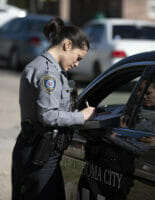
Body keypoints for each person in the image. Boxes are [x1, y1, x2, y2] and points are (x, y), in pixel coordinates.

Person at [11, 17, 95, 200]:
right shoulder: (48, 74)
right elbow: (48, 116)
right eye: (78, 57)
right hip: (39, 151)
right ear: (67, 45)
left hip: (39, 150)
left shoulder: (53, 70)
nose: (77, 64)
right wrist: (81, 117)